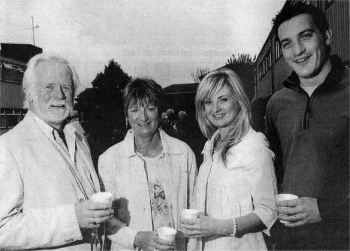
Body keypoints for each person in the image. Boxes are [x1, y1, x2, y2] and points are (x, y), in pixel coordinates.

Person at [0, 53, 114, 250]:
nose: (60, 95)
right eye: (49, 87)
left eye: (66, 87)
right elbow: (3, 230)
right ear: (29, 92)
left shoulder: (77, 137)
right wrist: (72, 219)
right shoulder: (9, 147)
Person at [265, 2, 349, 250]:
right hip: (291, 241)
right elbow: (275, 172)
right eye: (287, 43)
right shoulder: (276, 105)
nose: (298, 50)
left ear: (327, 36)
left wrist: (325, 209)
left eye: (305, 36)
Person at [181, 68, 277, 250]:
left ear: (239, 101)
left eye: (223, 99)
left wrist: (219, 227)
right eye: (208, 102)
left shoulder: (254, 145)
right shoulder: (209, 147)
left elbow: (268, 211)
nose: (215, 109)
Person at [98, 78, 197, 251]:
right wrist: (136, 238)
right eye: (135, 109)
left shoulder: (183, 153)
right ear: (126, 115)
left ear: (160, 112)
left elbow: (195, 209)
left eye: (150, 108)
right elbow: (103, 219)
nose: (143, 117)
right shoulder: (109, 160)